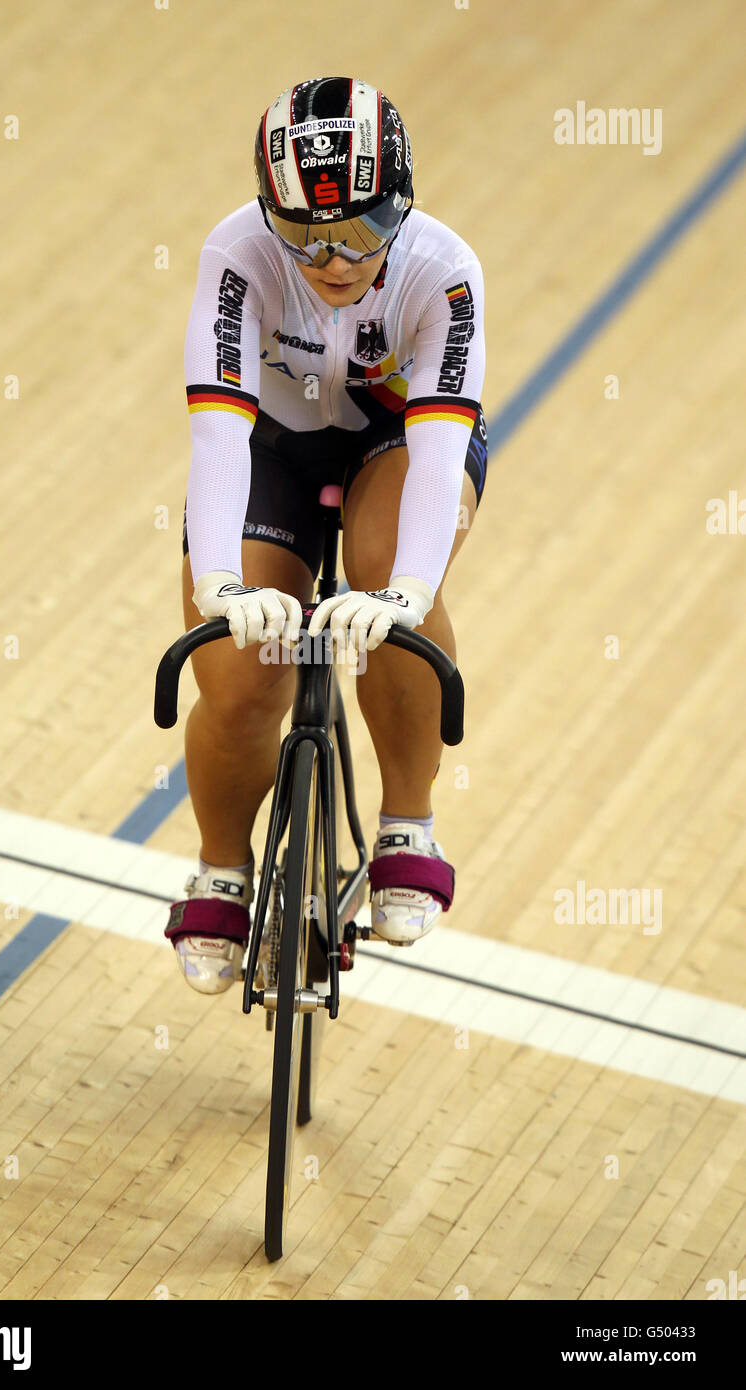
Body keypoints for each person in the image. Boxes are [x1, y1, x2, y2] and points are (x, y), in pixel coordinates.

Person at [166, 76, 487, 994]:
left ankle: (408, 824)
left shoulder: (446, 269)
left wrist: (408, 595)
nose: (336, 259)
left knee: (387, 580)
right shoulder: (236, 254)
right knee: (236, 674)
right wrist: (221, 584)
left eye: (361, 229)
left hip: (402, 437)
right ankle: (222, 865)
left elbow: (437, 451)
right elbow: (219, 430)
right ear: (271, 217)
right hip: (270, 444)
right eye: (305, 235)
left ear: (404, 203)